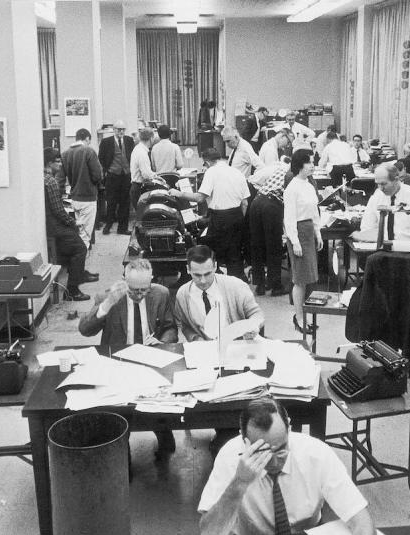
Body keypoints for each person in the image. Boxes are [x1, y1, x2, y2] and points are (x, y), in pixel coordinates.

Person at [198, 397, 376, 535]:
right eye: (262, 452)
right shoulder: (230, 456)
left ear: (289, 428)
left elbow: (361, 520)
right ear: (243, 440)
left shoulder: (316, 454)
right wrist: (239, 483)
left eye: (281, 448)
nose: (274, 461)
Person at [78, 259, 178, 454]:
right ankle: (122, 449)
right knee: (119, 415)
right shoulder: (107, 296)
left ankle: (163, 431)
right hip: (118, 363)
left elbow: (170, 327)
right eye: (134, 291)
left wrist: (162, 341)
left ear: (151, 281)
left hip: (151, 360)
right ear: (124, 281)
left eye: (144, 290)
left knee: (160, 403)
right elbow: (85, 330)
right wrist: (107, 305)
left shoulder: (161, 294)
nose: (139, 295)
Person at [171, 148, 250, 279]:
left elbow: (200, 198)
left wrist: (178, 193)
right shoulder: (237, 172)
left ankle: (215, 279)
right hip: (237, 216)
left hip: (220, 219)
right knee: (234, 254)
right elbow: (245, 203)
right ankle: (237, 283)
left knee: (212, 252)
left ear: (207, 163)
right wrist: (238, 219)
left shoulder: (211, 172)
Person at [172, 245, 263, 342]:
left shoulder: (236, 286)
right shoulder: (182, 294)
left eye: (207, 274)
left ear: (215, 266)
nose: (203, 281)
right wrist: (196, 339)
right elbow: (185, 325)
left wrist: (253, 325)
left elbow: (256, 314)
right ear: (188, 269)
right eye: (197, 275)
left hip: (237, 344)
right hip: (204, 348)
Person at [44, 148, 94, 302]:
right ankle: (72, 290)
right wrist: (73, 223)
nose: (60, 164)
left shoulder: (42, 178)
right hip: (54, 227)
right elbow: (58, 210)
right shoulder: (50, 181)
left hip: (49, 224)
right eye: (57, 162)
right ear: (49, 163)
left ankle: (79, 275)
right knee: (80, 248)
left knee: (74, 244)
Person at [283, 152, 323, 335]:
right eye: (310, 163)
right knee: (300, 279)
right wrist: (295, 242)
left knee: (311, 278)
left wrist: (318, 233)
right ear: (300, 165)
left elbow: (314, 211)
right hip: (298, 233)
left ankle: (305, 315)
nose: (312, 165)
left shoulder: (309, 185)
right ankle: (298, 317)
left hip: (309, 231)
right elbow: (289, 219)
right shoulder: (292, 188)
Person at [353, 162, 410, 244]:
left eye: (383, 184)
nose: (381, 188)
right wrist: (365, 237)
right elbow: (367, 226)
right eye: (378, 184)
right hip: (383, 248)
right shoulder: (377, 197)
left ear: (396, 180)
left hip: (409, 247)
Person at [248, 161, 289, 297]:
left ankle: (259, 285)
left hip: (257, 201)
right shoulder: (293, 175)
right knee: (274, 246)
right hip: (272, 206)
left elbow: (253, 180)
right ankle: (275, 286)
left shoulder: (278, 168)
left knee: (257, 245)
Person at [61, 128, 103, 248]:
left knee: (79, 232)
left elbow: (60, 179)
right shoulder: (89, 151)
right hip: (88, 199)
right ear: (87, 139)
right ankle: (79, 265)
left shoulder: (65, 154)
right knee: (85, 236)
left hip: (74, 199)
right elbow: (97, 175)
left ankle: (78, 263)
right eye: (89, 141)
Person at [98, 121, 135, 235]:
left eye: (123, 129)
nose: (121, 131)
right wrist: (107, 170)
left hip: (126, 175)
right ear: (114, 130)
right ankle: (108, 226)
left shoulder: (129, 140)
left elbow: (132, 156)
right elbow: (101, 158)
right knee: (111, 202)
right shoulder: (106, 142)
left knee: (125, 202)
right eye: (119, 129)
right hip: (113, 175)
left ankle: (122, 228)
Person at [130, 127, 157, 220]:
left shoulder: (138, 149)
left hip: (135, 187)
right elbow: (146, 175)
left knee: (140, 218)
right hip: (139, 188)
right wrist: (156, 176)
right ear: (151, 138)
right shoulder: (142, 152)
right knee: (142, 219)